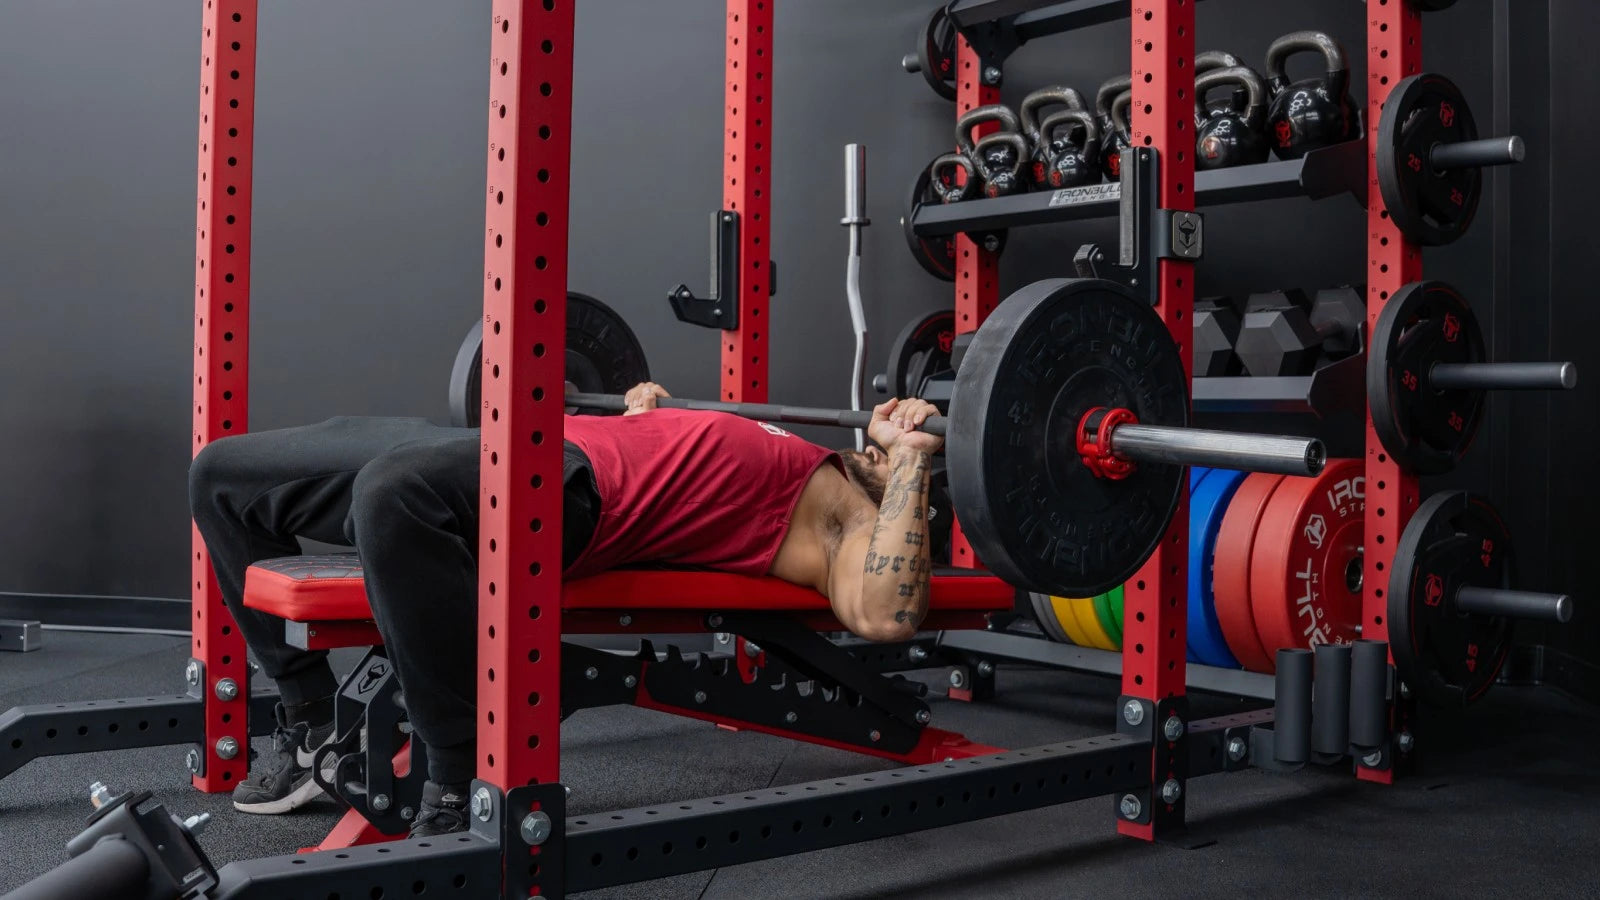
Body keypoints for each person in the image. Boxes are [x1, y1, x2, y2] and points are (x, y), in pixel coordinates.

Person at [188, 383, 942, 837]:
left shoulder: (840, 517)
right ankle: (312, 716)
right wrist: (658, 411)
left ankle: (454, 773)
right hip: (510, 443)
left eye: (893, 442)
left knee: (391, 493)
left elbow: (886, 613)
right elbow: (686, 453)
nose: (878, 431)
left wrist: (909, 454)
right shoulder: (789, 443)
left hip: (573, 491)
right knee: (221, 474)